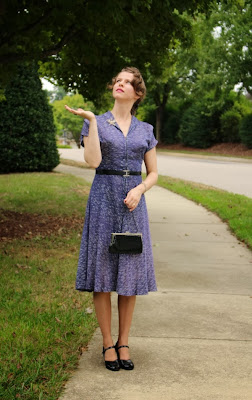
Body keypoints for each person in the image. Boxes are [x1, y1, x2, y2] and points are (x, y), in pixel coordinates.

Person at [65, 66, 158, 372]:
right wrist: (91, 121)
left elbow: (154, 172)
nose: (120, 84)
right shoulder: (99, 123)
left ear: (137, 93)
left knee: (129, 275)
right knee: (103, 276)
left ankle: (124, 341)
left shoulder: (145, 130)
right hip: (103, 201)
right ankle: (107, 343)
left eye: (127, 82)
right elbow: (92, 161)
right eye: (117, 80)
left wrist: (140, 189)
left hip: (132, 207)